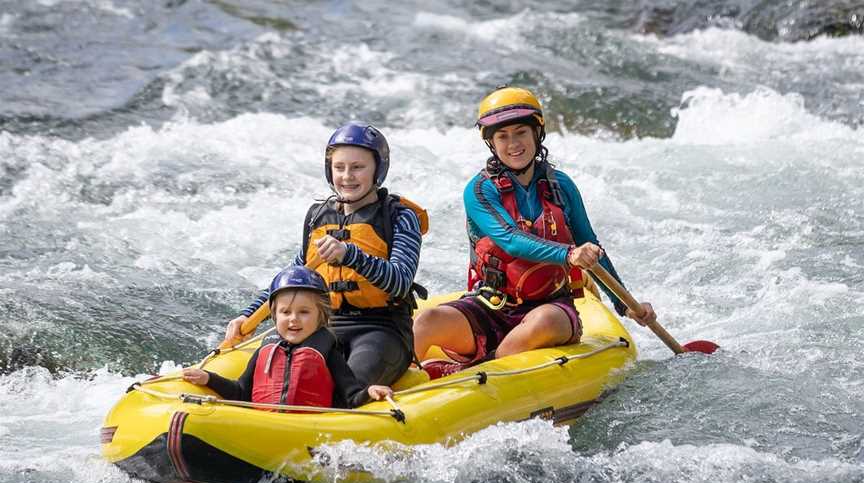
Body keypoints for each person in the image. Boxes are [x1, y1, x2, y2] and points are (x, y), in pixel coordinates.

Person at [413, 87, 656, 376]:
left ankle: (478, 370)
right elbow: (511, 241)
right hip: (491, 305)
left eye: (520, 133)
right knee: (428, 320)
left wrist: (624, 303)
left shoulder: (561, 186)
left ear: (536, 134)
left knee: (544, 323)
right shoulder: (479, 190)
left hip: (551, 307)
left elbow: (590, 245)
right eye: (502, 136)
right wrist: (569, 254)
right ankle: (385, 391)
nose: (513, 144)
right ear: (491, 143)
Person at [222, 123, 427, 388]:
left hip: (382, 330)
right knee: (272, 377)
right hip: (323, 327)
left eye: (357, 167)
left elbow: (399, 281)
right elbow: (294, 276)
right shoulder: (318, 217)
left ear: (378, 169)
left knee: (346, 387)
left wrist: (350, 255)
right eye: (339, 167)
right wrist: (246, 315)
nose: (347, 176)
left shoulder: (399, 216)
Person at [183, 266, 393, 408]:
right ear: (274, 316)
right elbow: (240, 392)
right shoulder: (265, 349)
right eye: (285, 312)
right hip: (261, 425)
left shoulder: (327, 352)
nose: (294, 319)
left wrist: (369, 392)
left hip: (308, 428)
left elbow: (350, 398)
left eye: (304, 312)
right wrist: (209, 378)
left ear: (321, 316)